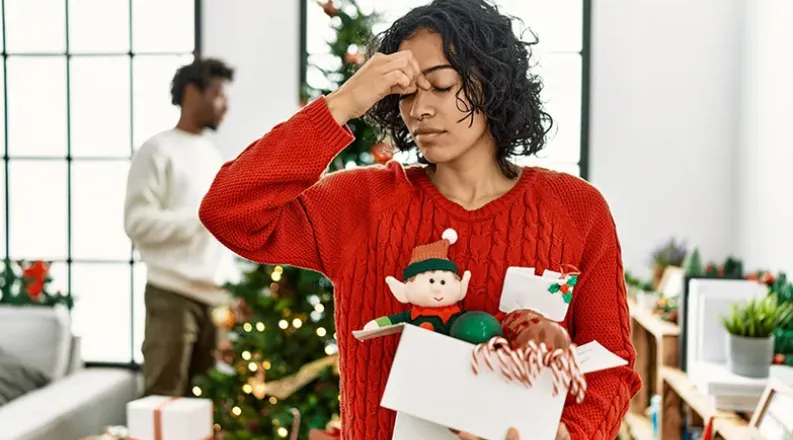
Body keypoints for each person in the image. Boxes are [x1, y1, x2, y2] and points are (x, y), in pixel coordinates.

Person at [199, 0, 640, 438]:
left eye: (441, 85)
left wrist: (569, 434)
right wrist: (343, 103)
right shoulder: (361, 202)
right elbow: (229, 210)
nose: (419, 110)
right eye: (406, 93)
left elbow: (611, 363)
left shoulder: (577, 209)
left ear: (493, 83)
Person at [124, 58, 236, 397]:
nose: (225, 104)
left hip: (215, 301)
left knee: (208, 408)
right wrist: (200, 218)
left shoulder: (213, 154)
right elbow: (137, 223)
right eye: (217, 93)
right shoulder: (158, 150)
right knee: (164, 399)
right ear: (191, 92)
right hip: (172, 295)